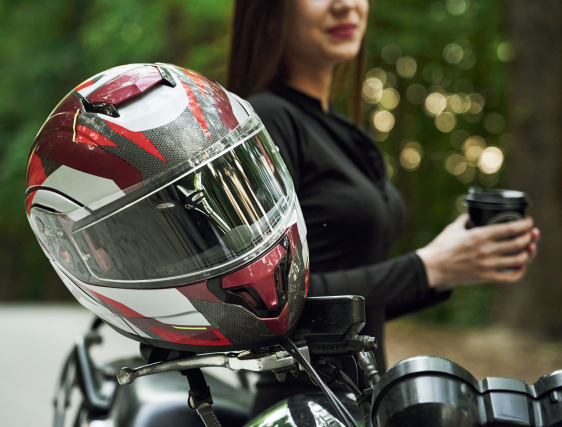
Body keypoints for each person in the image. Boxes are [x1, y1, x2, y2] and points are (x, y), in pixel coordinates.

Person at [226, 0, 540, 416]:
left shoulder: (341, 129)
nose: (346, 5)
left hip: (363, 407)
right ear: (267, 12)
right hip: (303, 412)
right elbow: (267, 306)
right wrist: (426, 268)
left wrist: (454, 266)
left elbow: (351, 317)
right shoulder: (267, 119)